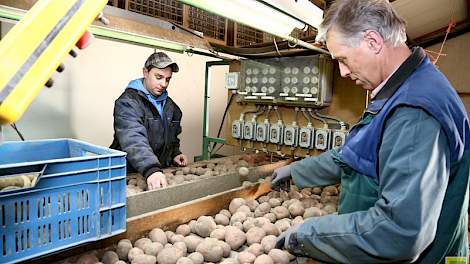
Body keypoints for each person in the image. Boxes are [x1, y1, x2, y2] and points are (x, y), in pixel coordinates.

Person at [271, 0, 470, 262]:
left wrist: (309, 234)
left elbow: (400, 232)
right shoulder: (399, 91)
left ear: (373, 42)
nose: (341, 72)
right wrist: (297, 171)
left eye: (342, 59)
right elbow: (356, 154)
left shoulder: (415, 112)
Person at [111, 52, 188, 190]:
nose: (163, 84)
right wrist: (151, 168)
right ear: (145, 72)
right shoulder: (128, 103)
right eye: (158, 77)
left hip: (156, 174)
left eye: (167, 79)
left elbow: (172, 137)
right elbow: (133, 138)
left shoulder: (172, 108)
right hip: (128, 175)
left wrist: (175, 153)